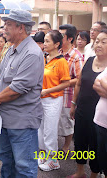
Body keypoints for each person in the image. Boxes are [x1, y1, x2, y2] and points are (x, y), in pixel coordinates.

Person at [0, 9, 44, 177]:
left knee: (24, 166)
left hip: (22, 122)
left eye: (8, 25)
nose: (4, 28)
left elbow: (16, 90)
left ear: (21, 28)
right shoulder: (12, 49)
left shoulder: (32, 53)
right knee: (7, 160)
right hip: (4, 119)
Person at [69, 30, 107, 178]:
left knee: (97, 145)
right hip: (82, 109)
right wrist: (73, 104)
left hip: (99, 115)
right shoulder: (89, 60)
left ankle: (94, 174)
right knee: (80, 141)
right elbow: (78, 84)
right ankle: (80, 171)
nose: (98, 44)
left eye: (104, 42)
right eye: (97, 41)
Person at [38, 30, 70, 171]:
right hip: (41, 99)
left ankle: (54, 161)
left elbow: (66, 83)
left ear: (57, 44)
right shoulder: (43, 58)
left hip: (53, 99)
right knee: (41, 129)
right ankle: (44, 154)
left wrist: (47, 91)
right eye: (44, 41)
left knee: (50, 131)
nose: (44, 44)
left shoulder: (61, 61)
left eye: (47, 41)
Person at [58, 24, 84, 155]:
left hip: (68, 96)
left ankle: (66, 146)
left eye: (61, 35)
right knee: (57, 121)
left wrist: (64, 83)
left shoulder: (76, 56)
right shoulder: (57, 53)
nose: (58, 37)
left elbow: (80, 78)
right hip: (55, 94)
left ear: (69, 39)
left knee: (67, 123)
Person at [93, 65, 107, 178]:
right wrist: (103, 81)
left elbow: (102, 81)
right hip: (101, 120)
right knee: (102, 156)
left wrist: (104, 82)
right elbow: (97, 82)